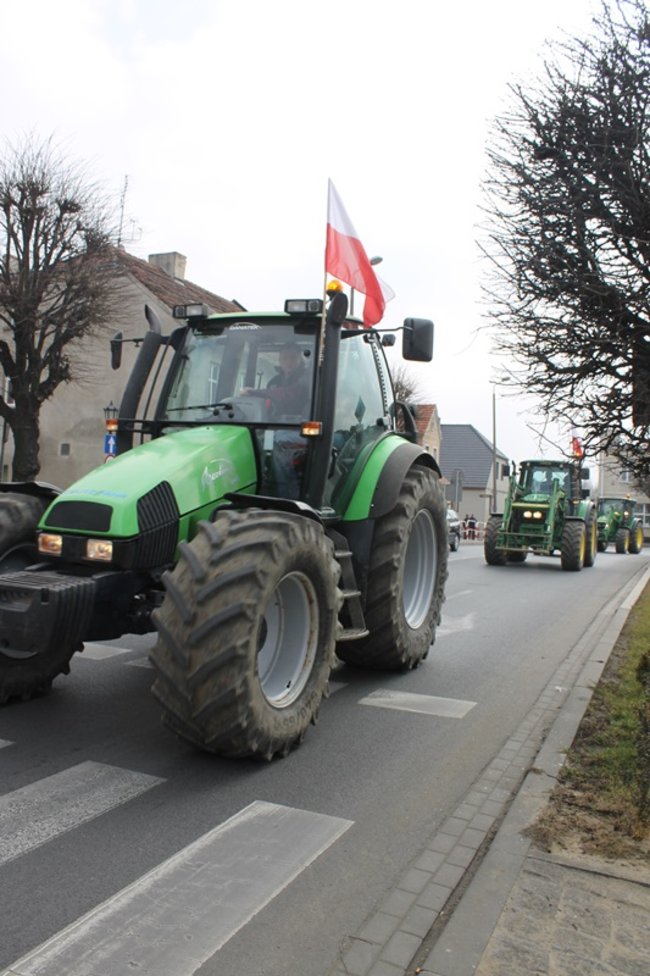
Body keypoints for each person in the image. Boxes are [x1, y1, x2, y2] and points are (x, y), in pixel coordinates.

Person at [242, 342, 309, 416]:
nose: (288, 361)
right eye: (285, 358)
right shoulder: (273, 382)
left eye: (293, 357)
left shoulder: (306, 378)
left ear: (300, 359)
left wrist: (254, 392)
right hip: (273, 422)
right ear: (279, 360)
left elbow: (287, 394)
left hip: (299, 423)